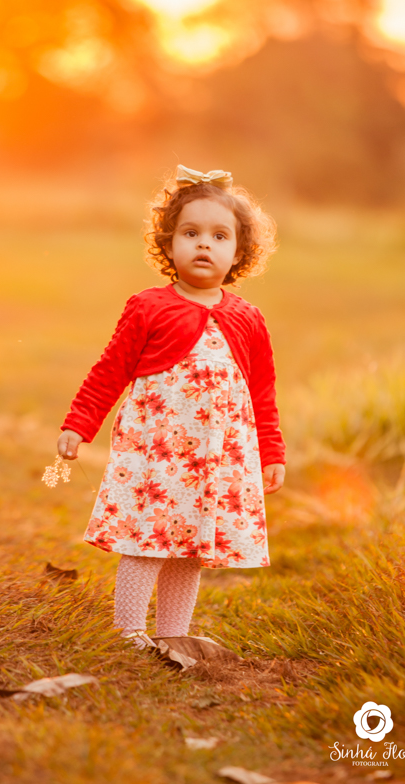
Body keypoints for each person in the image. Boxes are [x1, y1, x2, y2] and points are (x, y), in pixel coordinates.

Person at [57, 165, 286, 647]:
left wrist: (271, 453)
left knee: (190, 547)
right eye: (191, 233)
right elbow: (109, 371)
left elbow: (262, 392)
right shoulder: (148, 307)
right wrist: (79, 423)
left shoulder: (248, 318)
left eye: (219, 236)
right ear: (168, 243)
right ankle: (128, 631)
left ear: (238, 252)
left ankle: (173, 635)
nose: (204, 245)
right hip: (156, 454)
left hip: (214, 460)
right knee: (148, 537)